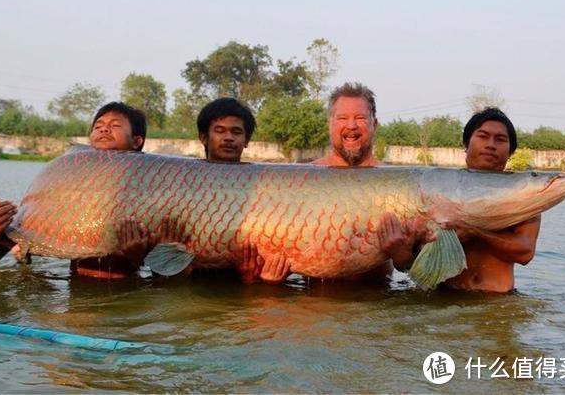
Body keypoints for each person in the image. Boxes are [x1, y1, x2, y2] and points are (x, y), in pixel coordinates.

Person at [0, 102, 153, 279]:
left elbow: (169, 276)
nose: (104, 129)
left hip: (126, 296)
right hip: (73, 295)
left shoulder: (152, 193)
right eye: (98, 126)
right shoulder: (69, 188)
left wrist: (138, 256)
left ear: (136, 141)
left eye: (115, 125)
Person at [312, 83, 426, 281]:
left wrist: (404, 257)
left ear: (375, 124)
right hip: (312, 304)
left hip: (377, 302)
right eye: (342, 118)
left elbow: (419, 272)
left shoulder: (399, 183)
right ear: (329, 125)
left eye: (360, 118)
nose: (351, 126)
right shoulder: (305, 178)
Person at [441, 107, 541, 292]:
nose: (491, 145)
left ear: (510, 151)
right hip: (442, 299)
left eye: (500, 139)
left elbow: (525, 252)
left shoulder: (524, 195)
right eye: (483, 136)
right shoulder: (440, 188)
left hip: (497, 304)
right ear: (466, 143)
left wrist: (476, 232)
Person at [193, 97, 289, 284]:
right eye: (220, 131)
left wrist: (261, 281)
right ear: (204, 137)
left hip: (243, 289)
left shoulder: (264, 185)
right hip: (196, 284)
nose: (228, 137)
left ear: (246, 140)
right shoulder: (186, 181)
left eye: (236, 132)